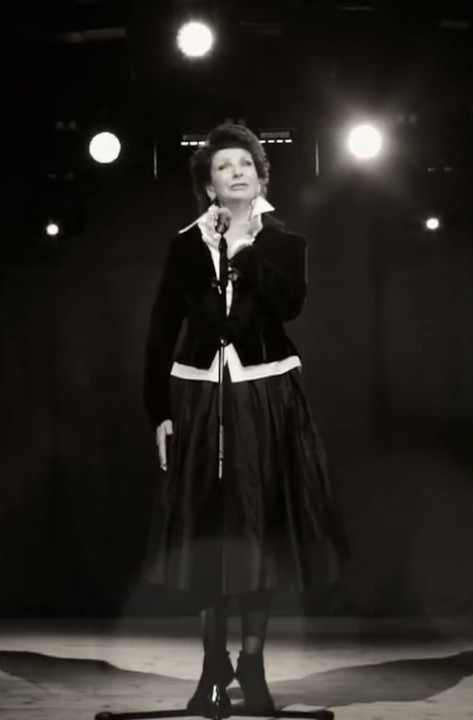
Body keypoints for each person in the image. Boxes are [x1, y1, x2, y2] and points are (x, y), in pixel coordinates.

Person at [141, 123, 347, 716]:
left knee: (258, 532)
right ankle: (213, 667)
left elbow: (289, 305)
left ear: (260, 177)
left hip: (265, 392)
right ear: (209, 185)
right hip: (199, 395)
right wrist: (159, 411)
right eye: (224, 166)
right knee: (208, 528)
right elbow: (161, 329)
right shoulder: (185, 244)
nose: (237, 172)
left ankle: (252, 667)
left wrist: (246, 251)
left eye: (246, 165)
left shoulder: (285, 241)